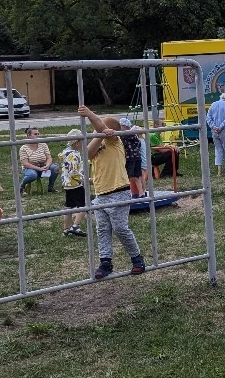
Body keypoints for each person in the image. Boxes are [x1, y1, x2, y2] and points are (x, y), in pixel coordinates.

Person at [78, 106, 145, 278]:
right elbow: (87, 153)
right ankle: (105, 262)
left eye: (100, 127)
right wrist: (97, 134)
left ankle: (137, 259)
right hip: (101, 194)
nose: (97, 130)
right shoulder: (97, 145)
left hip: (119, 191)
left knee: (120, 228)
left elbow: (103, 128)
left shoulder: (115, 142)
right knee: (102, 229)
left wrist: (90, 115)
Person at [59, 129, 87, 237]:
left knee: (69, 206)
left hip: (67, 183)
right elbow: (73, 170)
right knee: (83, 205)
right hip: (75, 183)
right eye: (81, 142)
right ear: (76, 143)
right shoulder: (74, 155)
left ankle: (66, 229)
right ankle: (75, 226)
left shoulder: (66, 152)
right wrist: (84, 178)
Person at [19, 126, 60, 193]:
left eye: (38, 134)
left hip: (43, 166)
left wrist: (47, 165)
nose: (37, 136)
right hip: (30, 169)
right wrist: (38, 169)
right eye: (35, 134)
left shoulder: (43, 144)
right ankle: (22, 186)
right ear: (28, 135)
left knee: (55, 168)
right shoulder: (23, 148)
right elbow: (25, 164)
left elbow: (49, 157)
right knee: (32, 175)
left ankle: (51, 187)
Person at [206, 90, 225, 175]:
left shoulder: (213, 104)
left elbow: (208, 118)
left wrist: (214, 127)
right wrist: (220, 127)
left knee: (218, 150)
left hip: (214, 131)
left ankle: (219, 171)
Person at [148, 114, 180, 181]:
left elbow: (162, 147)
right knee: (172, 153)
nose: (164, 126)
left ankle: (173, 172)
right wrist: (173, 148)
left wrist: (172, 147)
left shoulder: (158, 135)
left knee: (174, 152)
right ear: (156, 125)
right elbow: (162, 150)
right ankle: (166, 174)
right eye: (162, 124)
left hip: (155, 155)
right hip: (150, 157)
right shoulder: (152, 135)